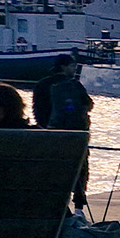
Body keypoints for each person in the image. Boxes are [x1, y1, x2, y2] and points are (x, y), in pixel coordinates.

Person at [31, 57, 95, 213]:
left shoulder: (42, 84)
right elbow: (89, 104)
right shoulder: (74, 84)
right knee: (80, 169)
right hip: (76, 135)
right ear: (63, 67)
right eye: (72, 65)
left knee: (54, 170)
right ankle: (79, 208)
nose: (74, 69)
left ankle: (57, 207)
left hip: (52, 134)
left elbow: (37, 110)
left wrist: (46, 127)